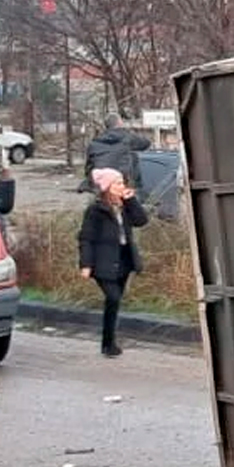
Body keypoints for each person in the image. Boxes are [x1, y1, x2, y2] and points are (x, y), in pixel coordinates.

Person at [77, 167, 149, 358]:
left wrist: (131, 200)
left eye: (122, 182)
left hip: (123, 257)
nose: (122, 186)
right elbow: (86, 238)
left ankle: (109, 343)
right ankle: (108, 343)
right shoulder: (96, 210)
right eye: (117, 183)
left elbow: (141, 221)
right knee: (113, 297)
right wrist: (86, 264)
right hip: (103, 260)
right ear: (107, 187)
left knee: (115, 302)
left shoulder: (125, 206)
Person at [81, 120, 150, 194]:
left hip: (100, 185)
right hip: (121, 182)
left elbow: (88, 168)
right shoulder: (127, 137)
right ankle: (136, 188)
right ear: (120, 124)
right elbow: (146, 143)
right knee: (133, 156)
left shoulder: (94, 143)